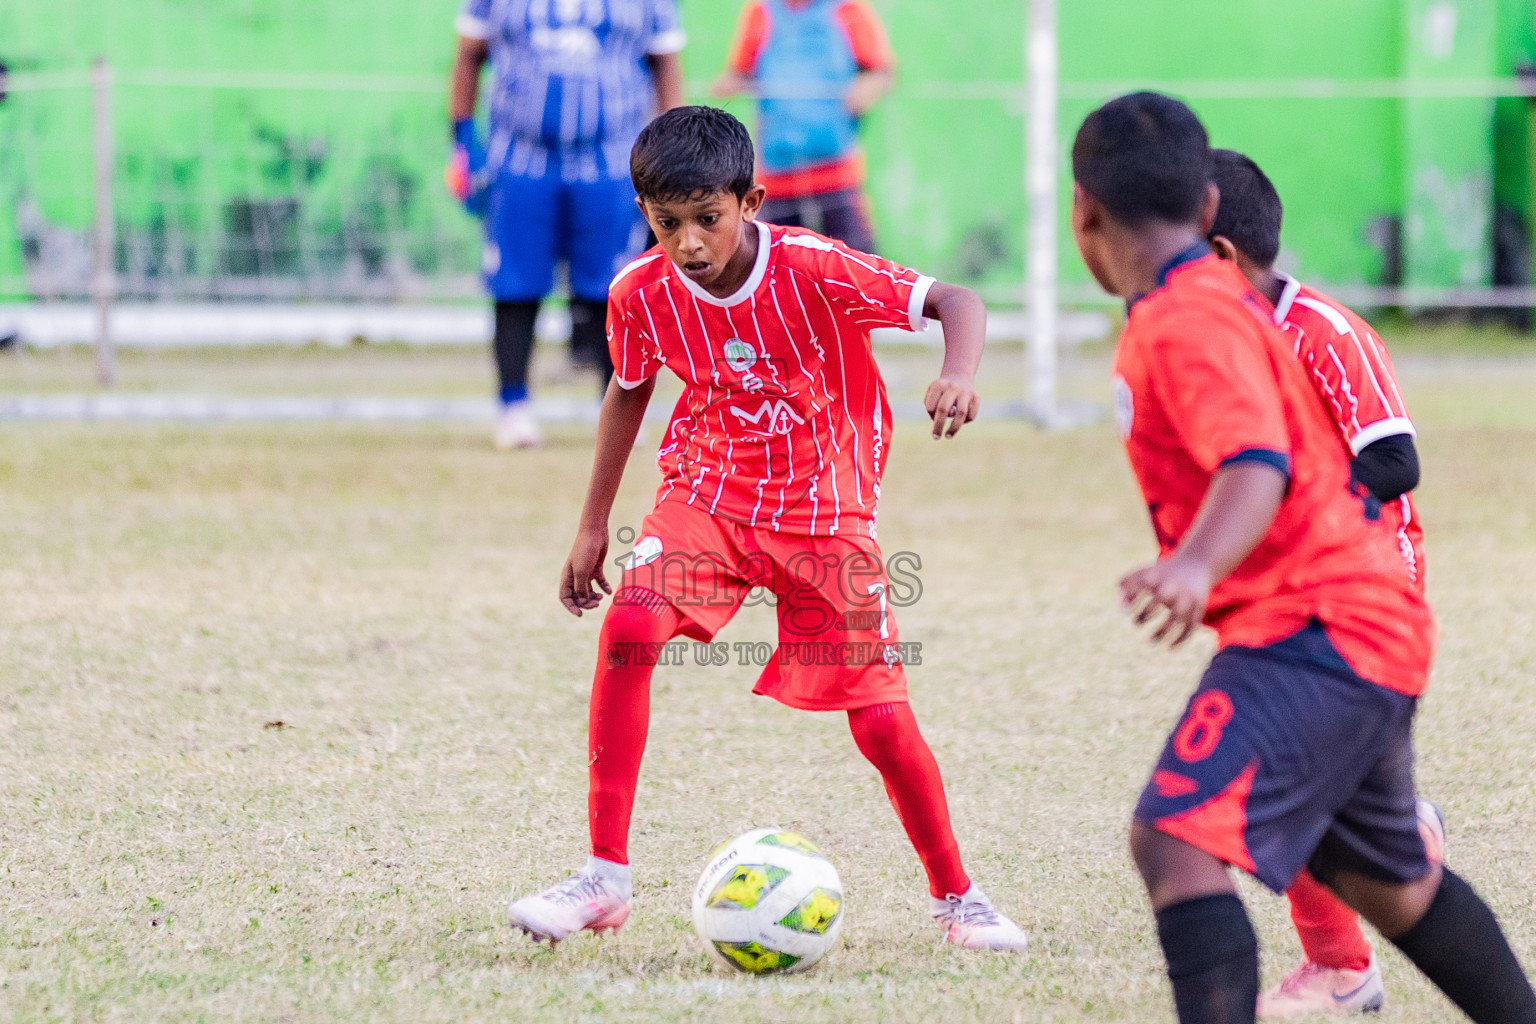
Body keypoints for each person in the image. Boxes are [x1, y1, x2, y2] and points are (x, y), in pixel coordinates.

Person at [504, 106, 1029, 951]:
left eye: (706, 218)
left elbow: (954, 300)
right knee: (631, 625)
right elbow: (628, 390)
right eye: (665, 223)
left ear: (750, 200)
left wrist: (957, 374)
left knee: (883, 722)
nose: (688, 244)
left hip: (825, 515)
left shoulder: (816, 267)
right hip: (708, 497)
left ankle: (958, 898)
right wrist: (592, 524)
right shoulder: (641, 292)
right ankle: (604, 877)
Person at [1071, 91, 1536, 1024]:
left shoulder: (1182, 318)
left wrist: (1196, 565)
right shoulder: (1212, 293)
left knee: (1172, 841)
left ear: (1083, 215)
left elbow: (1257, 462)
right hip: (1365, 616)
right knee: (1382, 878)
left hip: (1320, 624)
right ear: (1209, 213)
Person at [1206, 148, 1444, 1017]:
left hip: (1368, 583)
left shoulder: (1324, 332)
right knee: (1316, 787)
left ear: (1220, 253)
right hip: (1292, 588)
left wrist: (1289, 508)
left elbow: (1394, 458)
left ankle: (1344, 967)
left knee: (1276, 783)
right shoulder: (1219, 339)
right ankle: (1403, 848)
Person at [447, 0, 686, 449]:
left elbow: (666, 65)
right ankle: (513, 406)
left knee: (614, 287)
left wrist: (669, 147)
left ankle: (615, 408)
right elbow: (468, 54)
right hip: (520, 159)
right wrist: (461, 142)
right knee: (515, 284)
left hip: (612, 161)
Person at [710, 0, 893, 253]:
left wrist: (867, 87)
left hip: (836, 170)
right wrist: (726, 85)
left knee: (854, 258)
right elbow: (740, 70)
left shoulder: (848, 9)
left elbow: (881, 71)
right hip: (776, 172)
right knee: (772, 261)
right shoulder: (760, 11)